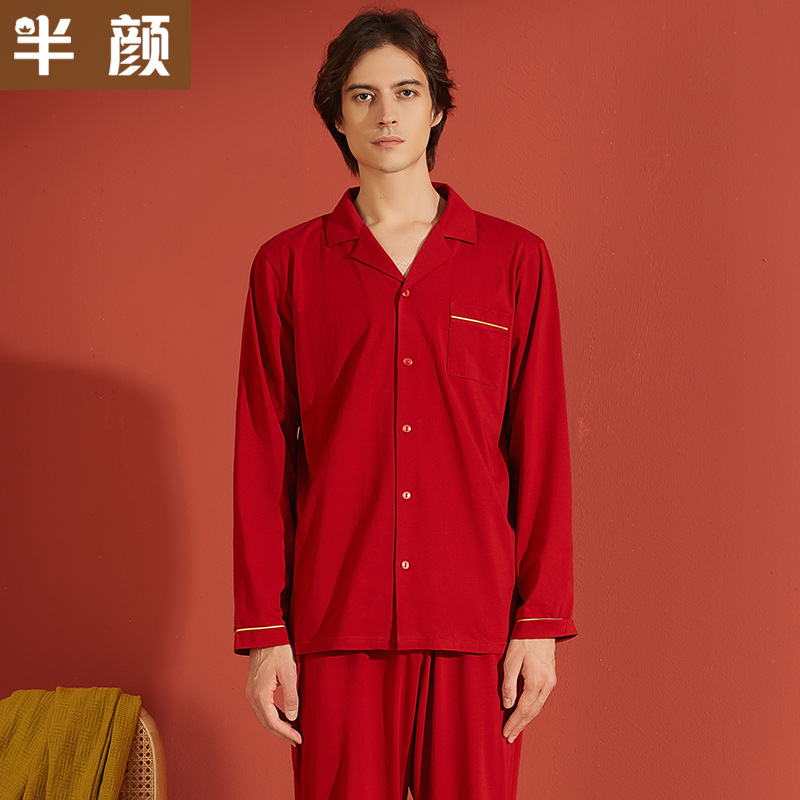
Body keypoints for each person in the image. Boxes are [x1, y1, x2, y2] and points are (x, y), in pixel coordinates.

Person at [233, 8, 576, 799]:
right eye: (362, 96)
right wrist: (264, 635)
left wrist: (540, 623)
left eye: (406, 92)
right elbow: (261, 454)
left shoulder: (515, 261)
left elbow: (542, 448)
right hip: (334, 621)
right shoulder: (287, 267)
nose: (386, 113)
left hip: (476, 626)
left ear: (438, 108)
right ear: (337, 118)